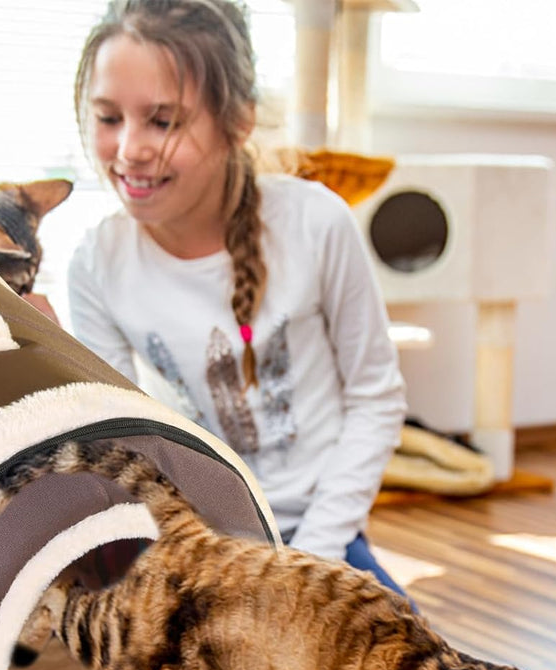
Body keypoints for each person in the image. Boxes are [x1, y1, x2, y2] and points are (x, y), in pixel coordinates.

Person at [67, 0, 410, 596]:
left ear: (238, 121)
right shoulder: (97, 264)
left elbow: (376, 397)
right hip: (204, 546)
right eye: (108, 117)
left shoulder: (316, 224)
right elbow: (124, 449)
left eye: (163, 120)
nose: (129, 151)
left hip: (324, 536)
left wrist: (309, 562)